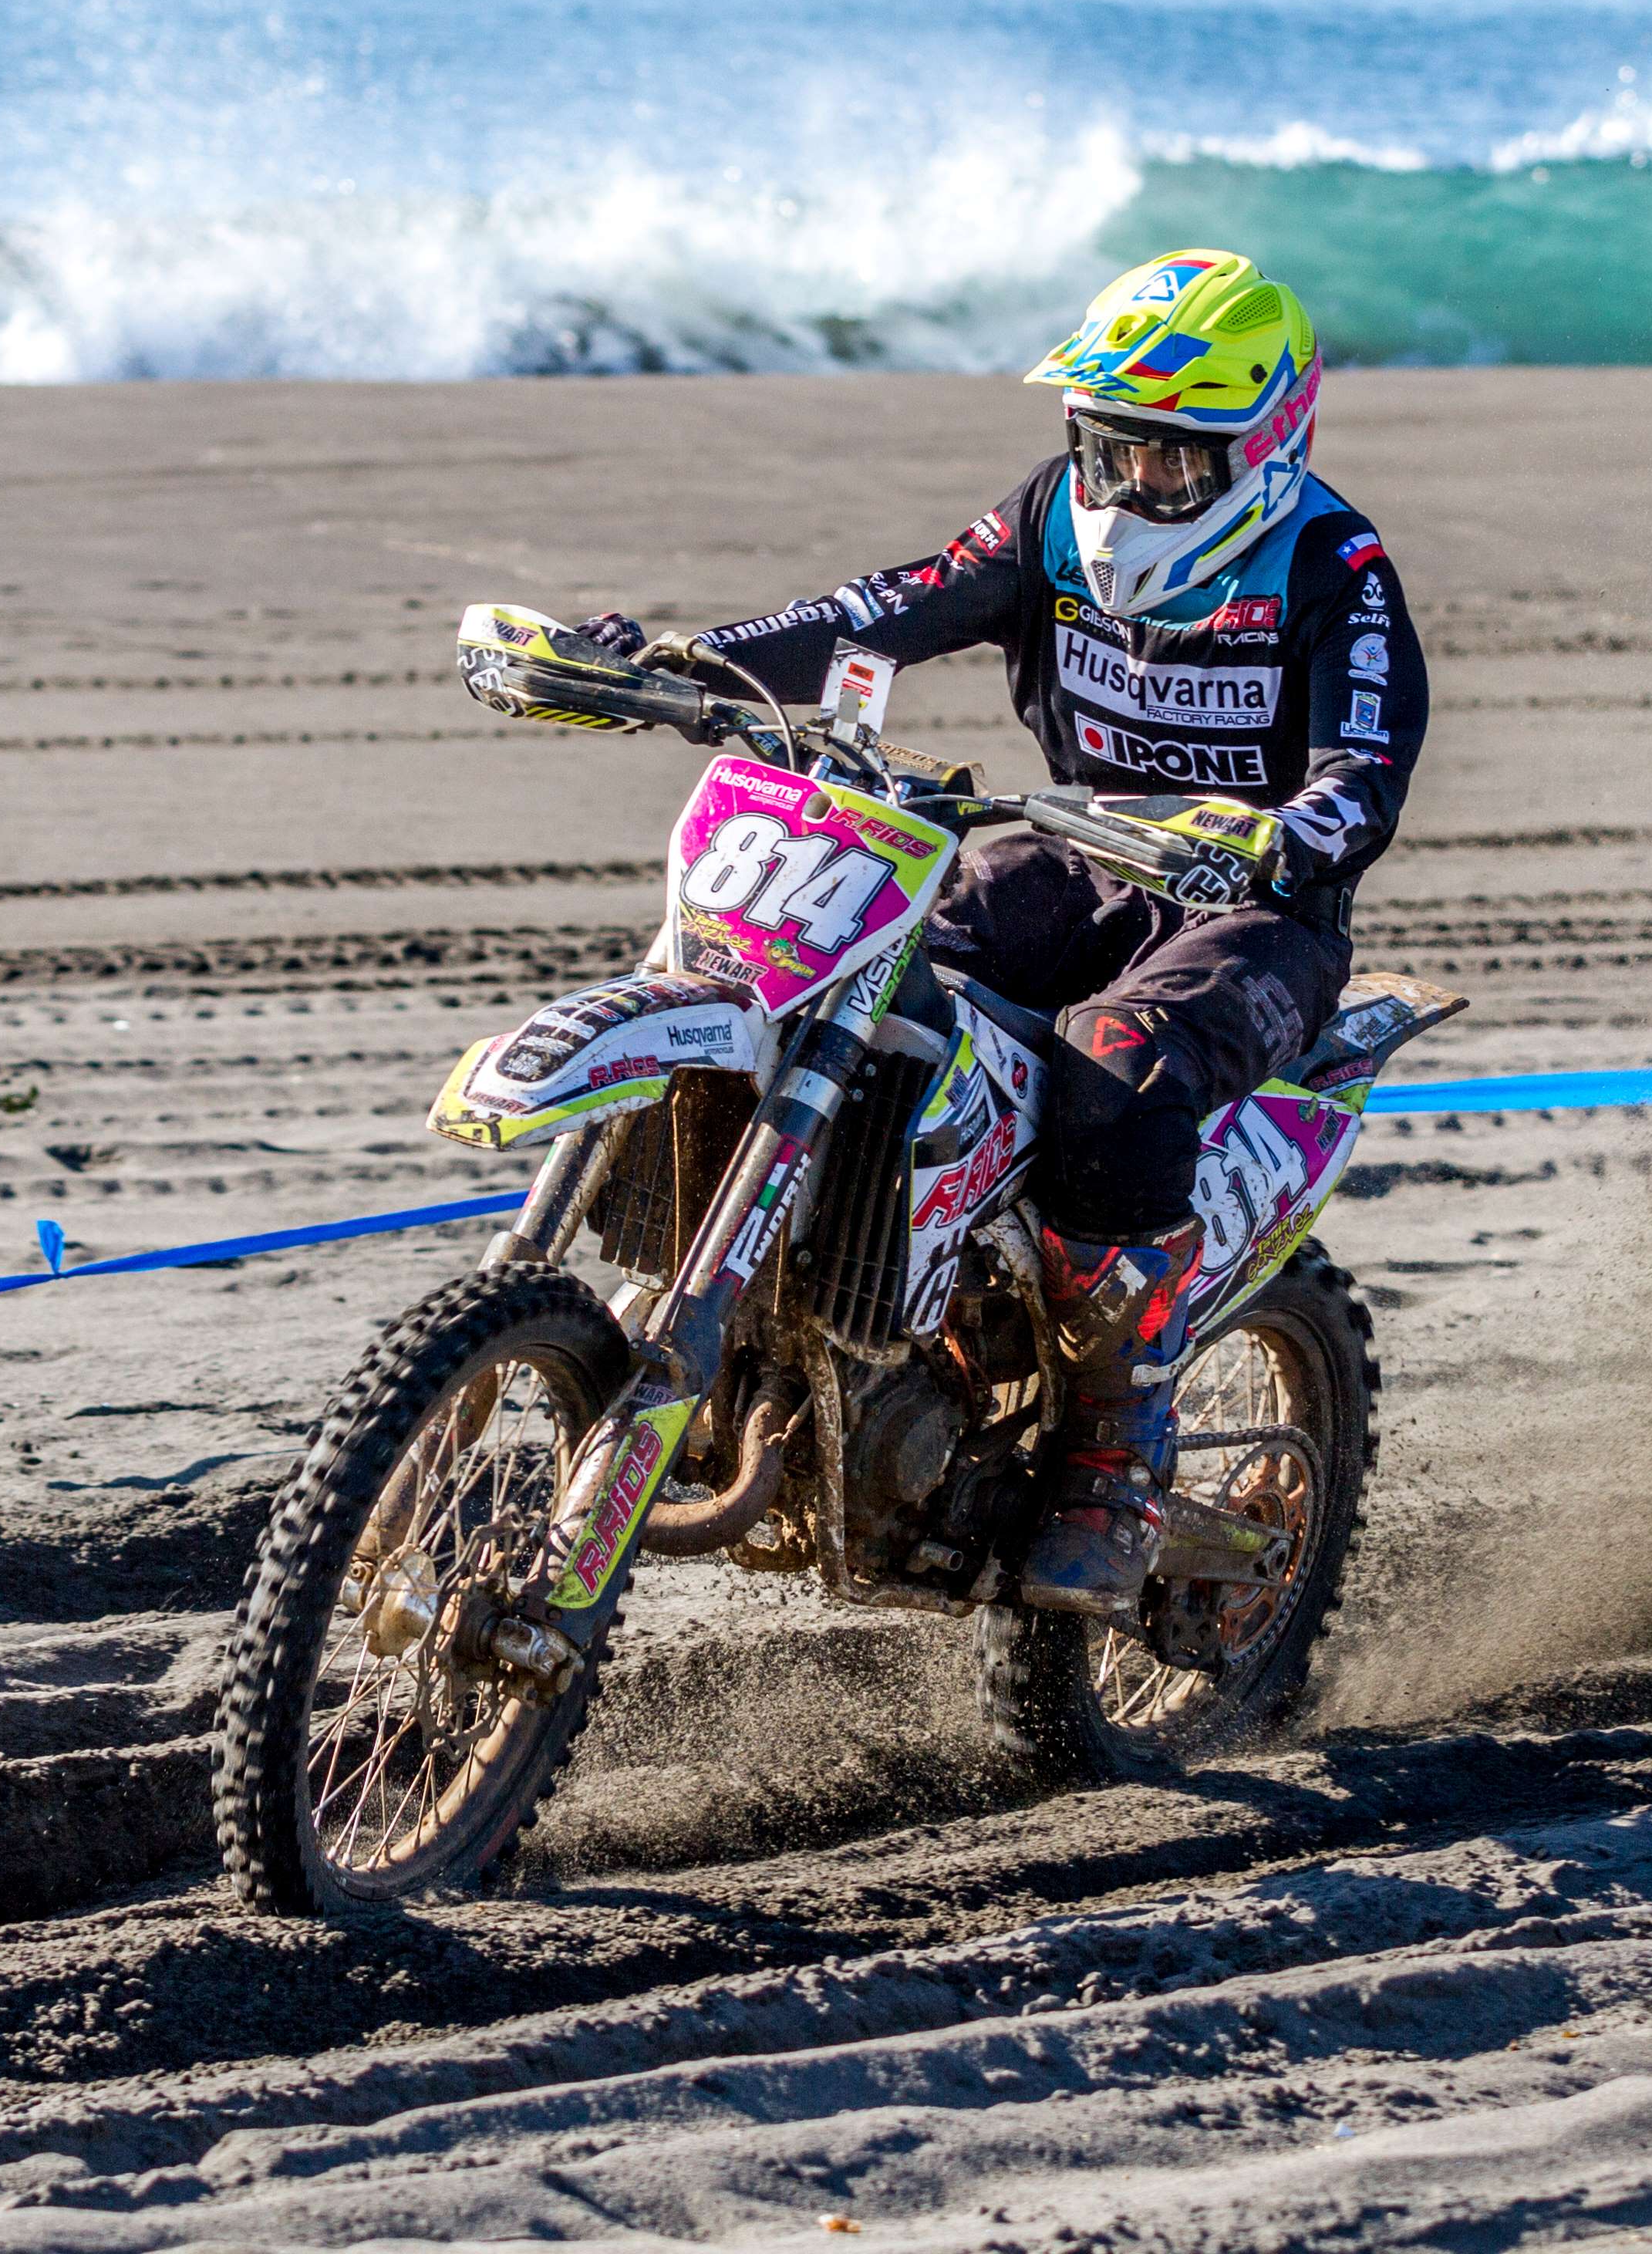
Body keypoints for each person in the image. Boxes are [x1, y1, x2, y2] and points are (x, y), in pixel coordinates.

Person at [582, 248, 1429, 1617]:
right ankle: (838, 1304)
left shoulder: (1338, 566)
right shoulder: (1050, 519)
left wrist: (1288, 830)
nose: (1125, 484)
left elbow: (1366, 773)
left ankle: (1116, 1455)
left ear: (1262, 450)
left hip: (1257, 912)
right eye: (1104, 445)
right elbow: (895, 604)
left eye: (1167, 460)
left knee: (1115, 1067)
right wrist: (691, 661)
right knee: (850, 974)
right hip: (1079, 851)